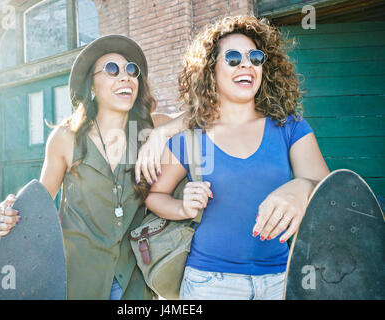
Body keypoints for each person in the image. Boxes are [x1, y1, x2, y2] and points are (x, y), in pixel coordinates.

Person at [141, 15, 330, 300]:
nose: (246, 64)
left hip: (280, 279)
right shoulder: (191, 137)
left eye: (255, 57)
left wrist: (302, 188)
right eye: (232, 58)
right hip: (209, 284)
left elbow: (329, 191)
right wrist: (182, 207)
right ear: (210, 70)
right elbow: (154, 197)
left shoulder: (289, 127)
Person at [0, 35, 156, 300]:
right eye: (112, 69)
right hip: (79, 280)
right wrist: (7, 211)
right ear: (91, 84)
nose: (125, 77)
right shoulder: (65, 138)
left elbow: (198, 117)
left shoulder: (148, 130)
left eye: (131, 70)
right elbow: (39, 205)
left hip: (135, 281)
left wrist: (162, 133)